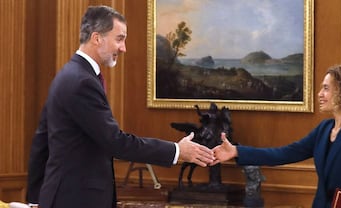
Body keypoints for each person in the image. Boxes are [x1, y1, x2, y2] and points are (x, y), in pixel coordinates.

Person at [26, 5, 214, 208]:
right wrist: (176, 151)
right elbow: (115, 142)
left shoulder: (68, 75)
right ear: (97, 38)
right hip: (77, 200)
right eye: (119, 38)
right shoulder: (81, 81)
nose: (123, 48)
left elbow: (42, 138)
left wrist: (36, 198)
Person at [212, 64, 341, 207]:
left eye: (326, 88)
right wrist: (237, 151)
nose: (320, 94)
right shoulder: (324, 129)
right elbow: (285, 153)